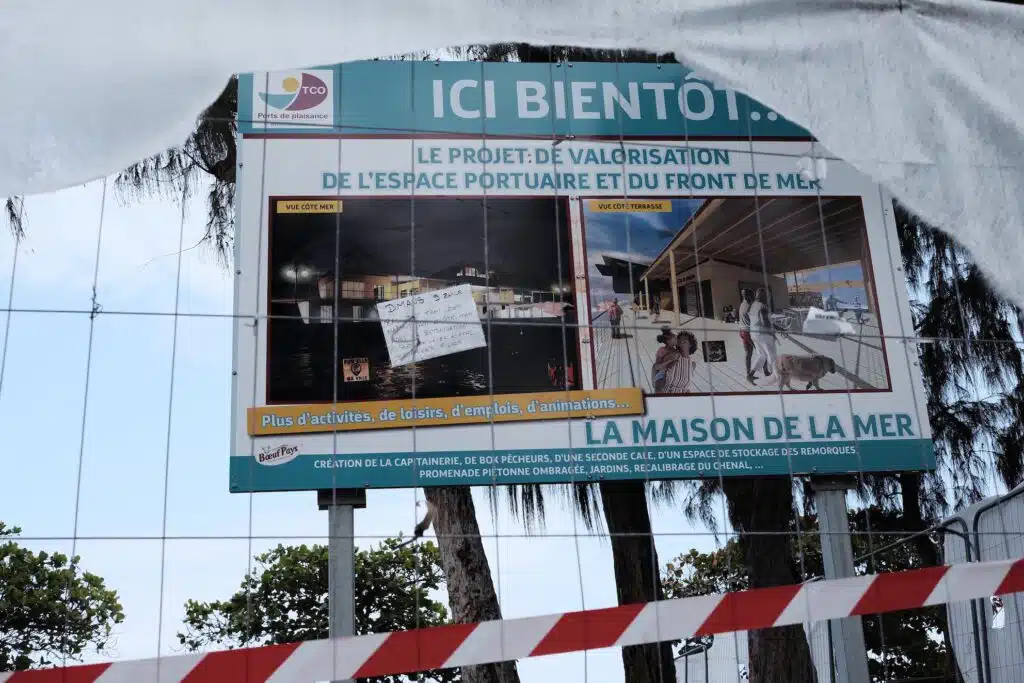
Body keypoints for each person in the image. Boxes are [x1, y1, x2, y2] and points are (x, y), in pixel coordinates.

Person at [651, 328, 697, 393]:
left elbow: (686, 387)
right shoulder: (673, 355)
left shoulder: (692, 364)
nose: (682, 341)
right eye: (680, 340)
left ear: (691, 344)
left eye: (685, 339)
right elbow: (656, 368)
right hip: (667, 396)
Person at [738, 288, 768, 384]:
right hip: (749, 332)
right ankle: (766, 372)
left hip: (742, 332)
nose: (752, 297)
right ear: (748, 295)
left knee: (748, 354)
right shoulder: (750, 306)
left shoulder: (742, 304)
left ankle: (748, 374)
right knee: (763, 353)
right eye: (751, 295)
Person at [749, 288, 776, 382]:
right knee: (771, 354)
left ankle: (750, 374)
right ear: (762, 296)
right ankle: (776, 375)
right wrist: (773, 332)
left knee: (761, 355)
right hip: (764, 334)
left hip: (754, 334)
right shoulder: (762, 306)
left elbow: (758, 321)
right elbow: (765, 322)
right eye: (767, 295)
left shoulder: (753, 306)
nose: (768, 297)